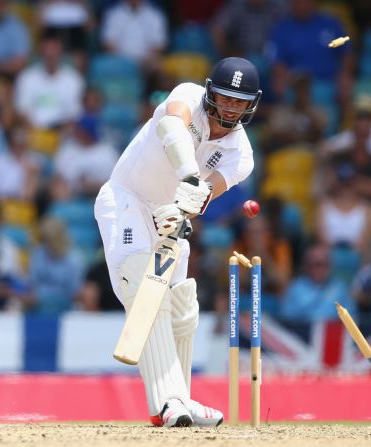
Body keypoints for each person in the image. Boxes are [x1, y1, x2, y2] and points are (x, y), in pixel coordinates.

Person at [93, 57, 263, 427]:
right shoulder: (187, 95)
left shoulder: (242, 155)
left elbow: (207, 193)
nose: (231, 106)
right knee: (142, 282)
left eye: (240, 100)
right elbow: (172, 126)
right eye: (225, 97)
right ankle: (169, 402)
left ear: (252, 104)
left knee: (182, 302)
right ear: (210, 91)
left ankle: (179, 401)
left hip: (170, 218)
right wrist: (188, 177)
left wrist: (184, 209)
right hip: (126, 200)